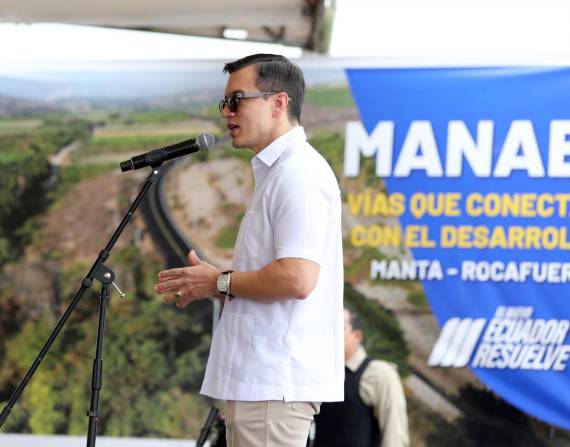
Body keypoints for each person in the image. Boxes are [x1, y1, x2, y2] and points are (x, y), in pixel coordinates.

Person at [154, 53, 344, 447]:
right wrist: (218, 285)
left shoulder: (299, 174)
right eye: (225, 102)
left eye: (237, 100)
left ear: (279, 103)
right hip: (261, 385)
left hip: (273, 385)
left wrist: (220, 281)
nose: (226, 112)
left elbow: (296, 278)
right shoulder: (280, 173)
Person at [313, 308, 409, 447]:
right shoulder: (318, 372)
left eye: (338, 328)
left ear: (357, 335)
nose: (330, 334)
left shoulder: (379, 373)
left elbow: (394, 435)